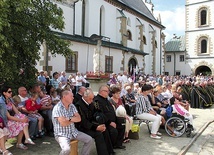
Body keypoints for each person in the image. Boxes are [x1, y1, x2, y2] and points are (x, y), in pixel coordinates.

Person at [52, 90, 93, 155]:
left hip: (74, 132)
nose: (73, 97)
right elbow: (63, 124)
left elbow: (79, 119)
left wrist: (69, 119)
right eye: (71, 96)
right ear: (64, 97)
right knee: (66, 149)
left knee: (89, 140)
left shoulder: (72, 106)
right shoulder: (57, 108)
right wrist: (73, 119)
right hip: (62, 135)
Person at [76, 88, 115, 155]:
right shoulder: (78, 105)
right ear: (85, 97)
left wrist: (100, 125)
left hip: (91, 125)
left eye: (92, 98)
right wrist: (96, 127)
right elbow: (83, 122)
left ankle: (109, 151)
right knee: (98, 134)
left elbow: (96, 114)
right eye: (90, 99)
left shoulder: (91, 103)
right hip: (82, 127)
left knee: (104, 130)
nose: (92, 101)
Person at [1, 86, 34, 150]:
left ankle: (25, 139)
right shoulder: (2, 102)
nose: (11, 93)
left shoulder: (9, 100)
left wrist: (24, 117)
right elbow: (8, 117)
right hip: (5, 121)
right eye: (9, 92)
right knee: (22, 123)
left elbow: (17, 112)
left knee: (23, 121)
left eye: (11, 91)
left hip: (11, 119)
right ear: (4, 93)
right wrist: (22, 120)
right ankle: (23, 141)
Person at [94, 85, 126, 149]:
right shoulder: (97, 100)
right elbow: (101, 114)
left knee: (122, 125)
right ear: (101, 91)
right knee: (114, 131)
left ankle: (118, 144)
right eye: (106, 91)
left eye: (108, 91)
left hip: (113, 120)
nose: (108, 93)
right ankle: (111, 146)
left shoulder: (105, 99)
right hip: (106, 122)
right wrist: (110, 122)